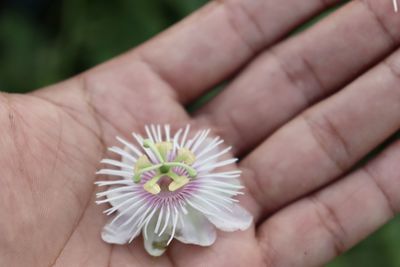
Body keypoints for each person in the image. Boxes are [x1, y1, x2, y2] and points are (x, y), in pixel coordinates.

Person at [1, 0, 399, 266]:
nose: (166, 169)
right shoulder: (145, 194)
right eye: (164, 171)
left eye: (167, 169)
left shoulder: (180, 187)